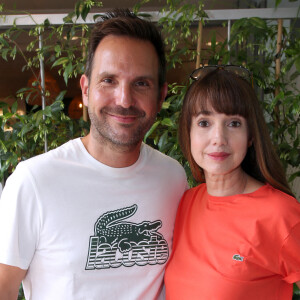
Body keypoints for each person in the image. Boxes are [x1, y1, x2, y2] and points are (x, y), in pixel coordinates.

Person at [0, 9, 188, 300]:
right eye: (109, 80)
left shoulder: (172, 177)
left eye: (141, 83)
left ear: (161, 96)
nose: (124, 100)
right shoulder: (34, 181)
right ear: (86, 89)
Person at [164, 65, 300, 300]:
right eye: (204, 123)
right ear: (188, 132)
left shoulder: (279, 214)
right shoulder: (187, 202)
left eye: (234, 123)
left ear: (250, 137)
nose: (218, 139)